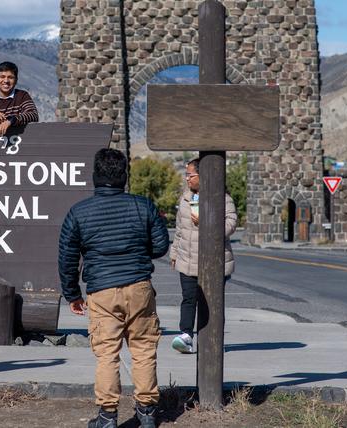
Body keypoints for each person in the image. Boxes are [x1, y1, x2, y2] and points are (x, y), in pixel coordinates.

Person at [58, 148, 169, 428]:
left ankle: (107, 416)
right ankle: (147, 413)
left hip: (102, 290)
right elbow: (160, 246)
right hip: (140, 287)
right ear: (124, 176)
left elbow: (67, 258)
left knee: (107, 354)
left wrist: (72, 294)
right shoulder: (144, 206)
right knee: (143, 349)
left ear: (95, 176)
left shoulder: (79, 212)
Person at [168, 158, 238, 354]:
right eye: (187, 175)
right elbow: (179, 229)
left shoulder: (222, 198)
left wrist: (206, 222)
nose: (187, 179)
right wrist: (174, 253)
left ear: (203, 176)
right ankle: (186, 336)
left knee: (213, 303)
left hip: (213, 262)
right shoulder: (185, 198)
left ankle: (214, 339)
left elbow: (231, 224)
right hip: (186, 258)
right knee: (188, 298)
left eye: (190, 175)